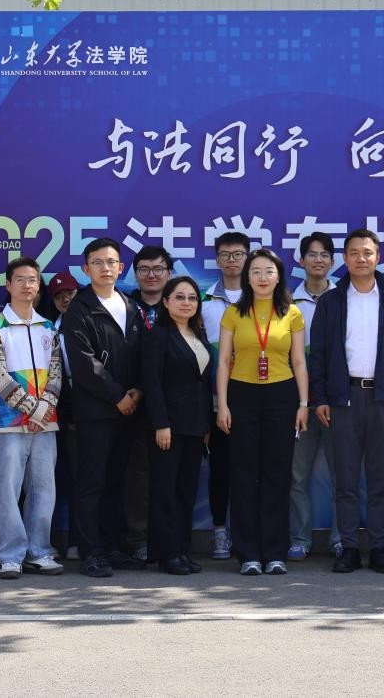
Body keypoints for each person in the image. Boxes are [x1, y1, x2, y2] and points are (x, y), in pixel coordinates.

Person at [310, 229, 384, 574]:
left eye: (367, 252)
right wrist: (320, 398)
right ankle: (350, 548)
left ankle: (380, 547)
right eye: (354, 252)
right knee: (345, 479)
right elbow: (319, 355)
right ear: (344, 258)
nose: (361, 258)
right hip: (344, 398)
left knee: (380, 479)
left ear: (378, 257)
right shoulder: (331, 301)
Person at [217, 248, 308, 575]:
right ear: (247, 277)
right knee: (244, 474)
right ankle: (248, 554)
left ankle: (274, 552)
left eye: (269, 271)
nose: (262, 277)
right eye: (255, 271)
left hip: (282, 395)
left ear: (279, 276)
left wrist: (303, 404)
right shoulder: (233, 313)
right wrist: (223, 405)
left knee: (277, 474)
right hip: (241, 395)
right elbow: (223, 361)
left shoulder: (292, 313)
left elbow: (299, 361)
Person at [63, 238, 146, 578]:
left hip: (129, 409)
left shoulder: (130, 306)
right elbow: (84, 364)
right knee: (92, 482)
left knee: (116, 482)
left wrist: (137, 390)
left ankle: (113, 547)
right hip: (96, 411)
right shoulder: (79, 309)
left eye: (111, 262)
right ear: (86, 269)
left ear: (121, 267)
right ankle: (91, 551)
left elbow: (141, 355)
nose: (105, 268)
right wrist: (117, 396)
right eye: (97, 262)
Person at [0, 257, 64, 579]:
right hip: (9, 424)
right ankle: (10, 555)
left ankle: (39, 551)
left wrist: (44, 410)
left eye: (32, 280)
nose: (27, 285)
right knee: (7, 490)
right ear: (8, 285)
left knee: (44, 489)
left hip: (46, 424)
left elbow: (56, 373)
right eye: (20, 279)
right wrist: (32, 409)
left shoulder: (49, 328)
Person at [142, 276, 213, 575]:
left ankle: (182, 550)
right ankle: (166, 554)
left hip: (195, 426)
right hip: (168, 427)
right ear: (166, 302)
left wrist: (206, 426)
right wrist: (161, 423)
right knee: (165, 491)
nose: (186, 303)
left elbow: (202, 384)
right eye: (180, 297)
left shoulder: (198, 335)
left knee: (186, 491)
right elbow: (152, 383)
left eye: (192, 298)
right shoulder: (158, 335)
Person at [288, 231, 338, 561]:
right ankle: (299, 538)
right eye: (312, 254)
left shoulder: (345, 298)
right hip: (300, 403)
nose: (318, 260)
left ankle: (341, 538)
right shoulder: (287, 303)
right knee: (297, 475)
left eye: (324, 255)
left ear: (333, 262)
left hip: (337, 401)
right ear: (301, 260)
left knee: (342, 475)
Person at [201, 230, 250, 560]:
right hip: (217, 399)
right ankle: (220, 530)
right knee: (220, 467)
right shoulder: (204, 301)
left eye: (238, 254)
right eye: (225, 255)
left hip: (255, 395)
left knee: (252, 469)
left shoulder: (262, 297)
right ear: (217, 260)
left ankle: (248, 532)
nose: (232, 261)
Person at [124, 245, 171, 562]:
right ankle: (139, 539)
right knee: (137, 476)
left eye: (158, 269)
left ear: (169, 272)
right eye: (144, 269)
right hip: (133, 405)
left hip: (173, 405)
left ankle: (169, 540)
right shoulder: (124, 307)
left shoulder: (181, 305)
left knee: (170, 475)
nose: (151, 275)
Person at [48, 271, 81, 561]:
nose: (65, 299)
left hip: (87, 410)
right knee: (49, 480)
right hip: (52, 410)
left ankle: (79, 540)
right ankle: (42, 544)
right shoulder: (50, 329)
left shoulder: (90, 323)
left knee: (83, 478)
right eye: (59, 296)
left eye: (69, 293)